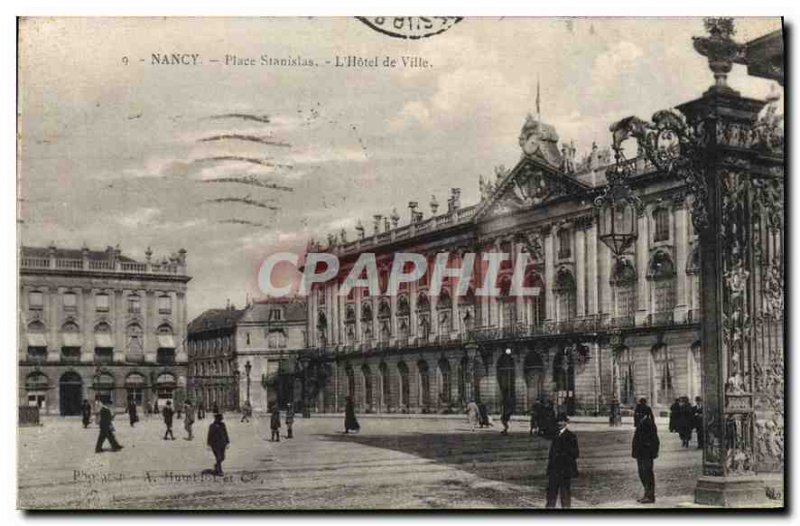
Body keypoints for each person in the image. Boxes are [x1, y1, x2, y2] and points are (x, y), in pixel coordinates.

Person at [545, 413, 579, 508]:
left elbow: (575, 453)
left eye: (562, 421)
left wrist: (563, 455)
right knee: (551, 493)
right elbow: (551, 454)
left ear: (566, 422)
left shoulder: (571, 436)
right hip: (554, 469)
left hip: (565, 469)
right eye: (558, 421)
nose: (559, 423)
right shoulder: (555, 435)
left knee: (565, 493)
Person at [632, 398, 659, 504]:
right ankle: (647, 494)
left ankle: (650, 495)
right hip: (641, 454)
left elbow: (655, 440)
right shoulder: (642, 423)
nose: (635, 416)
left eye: (637, 414)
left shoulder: (648, 424)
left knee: (647, 474)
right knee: (642, 474)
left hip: (646, 454)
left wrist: (651, 451)